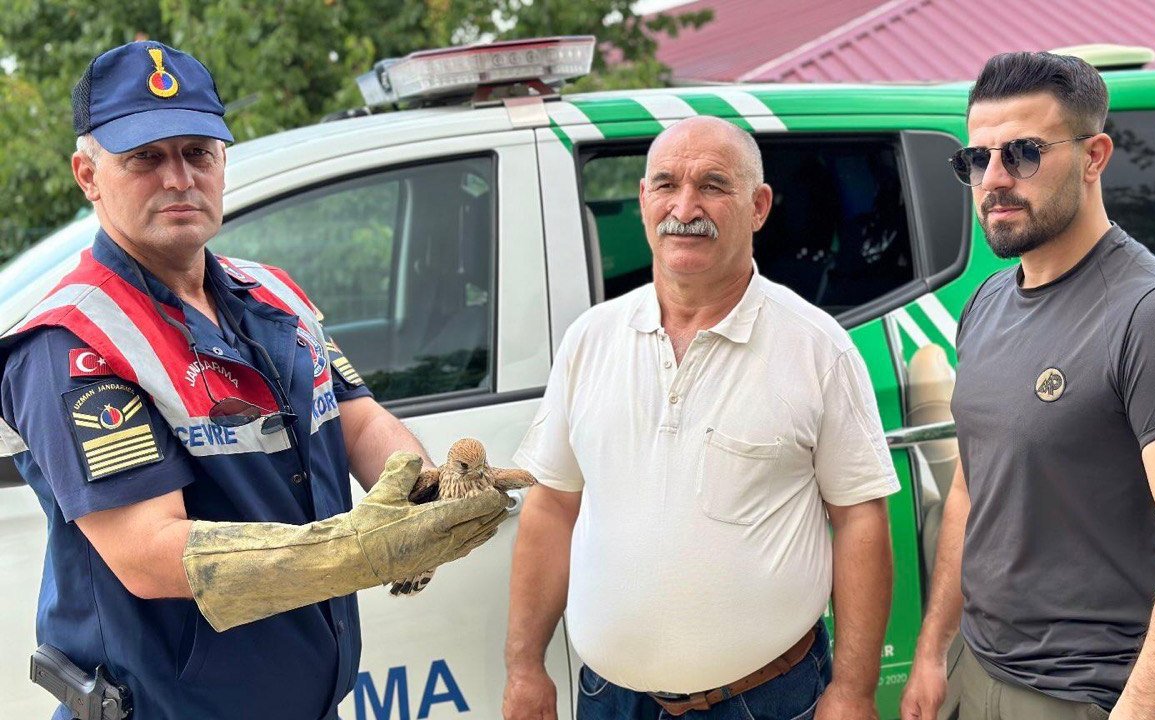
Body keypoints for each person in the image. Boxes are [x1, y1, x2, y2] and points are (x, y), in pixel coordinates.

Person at [0, 41, 508, 719]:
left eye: (196, 152)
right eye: (145, 158)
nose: (178, 178)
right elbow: (149, 553)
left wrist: (421, 489)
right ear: (87, 175)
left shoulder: (274, 294)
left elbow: (354, 414)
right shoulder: (75, 343)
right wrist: (357, 553)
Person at [501, 115, 900, 720]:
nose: (685, 207)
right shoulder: (591, 339)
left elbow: (861, 522)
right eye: (666, 184)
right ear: (642, 200)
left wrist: (853, 690)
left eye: (713, 185)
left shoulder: (817, 349)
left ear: (759, 206)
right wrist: (525, 666)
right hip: (609, 699)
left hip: (765, 699)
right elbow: (552, 508)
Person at [899, 52, 1155, 720]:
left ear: (1095, 156)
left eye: (1023, 154)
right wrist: (933, 650)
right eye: (976, 159)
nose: (993, 180)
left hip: (1093, 696)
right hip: (979, 670)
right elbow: (972, 491)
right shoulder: (987, 302)